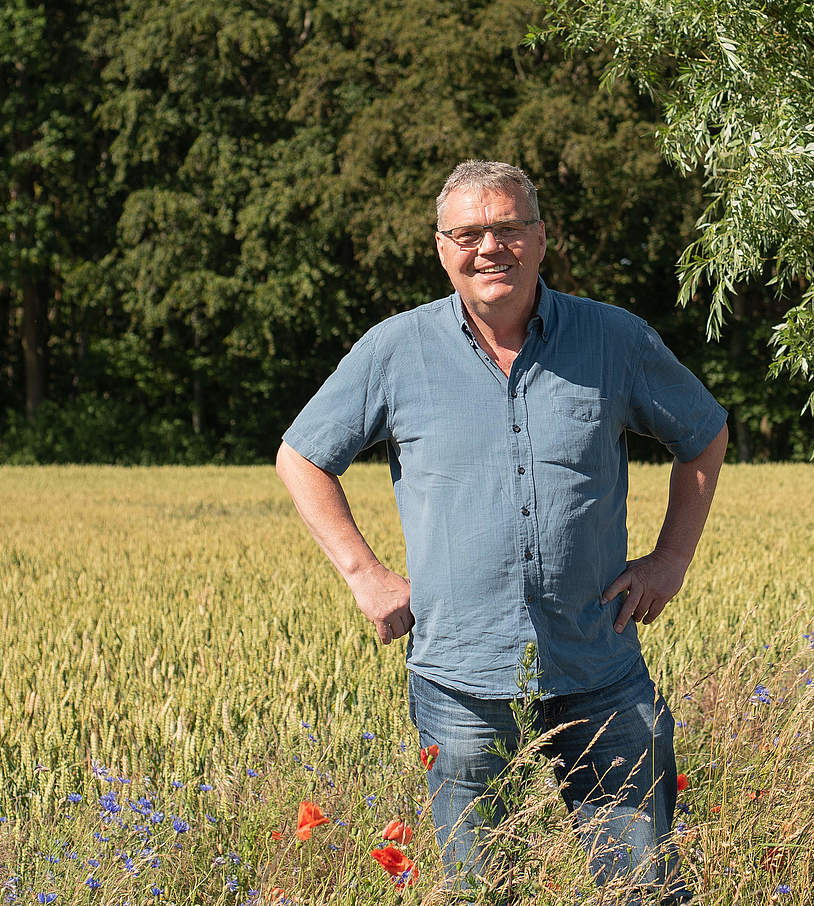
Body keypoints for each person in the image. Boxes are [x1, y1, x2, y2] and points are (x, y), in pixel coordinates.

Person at [276, 160, 727, 903]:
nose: (491, 247)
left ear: (540, 239)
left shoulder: (614, 339)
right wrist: (366, 576)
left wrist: (671, 559)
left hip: (600, 668)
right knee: (482, 892)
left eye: (508, 228)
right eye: (469, 233)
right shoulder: (395, 350)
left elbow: (703, 435)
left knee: (643, 889)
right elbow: (302, 457)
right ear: (442, 247)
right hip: (460, 681)